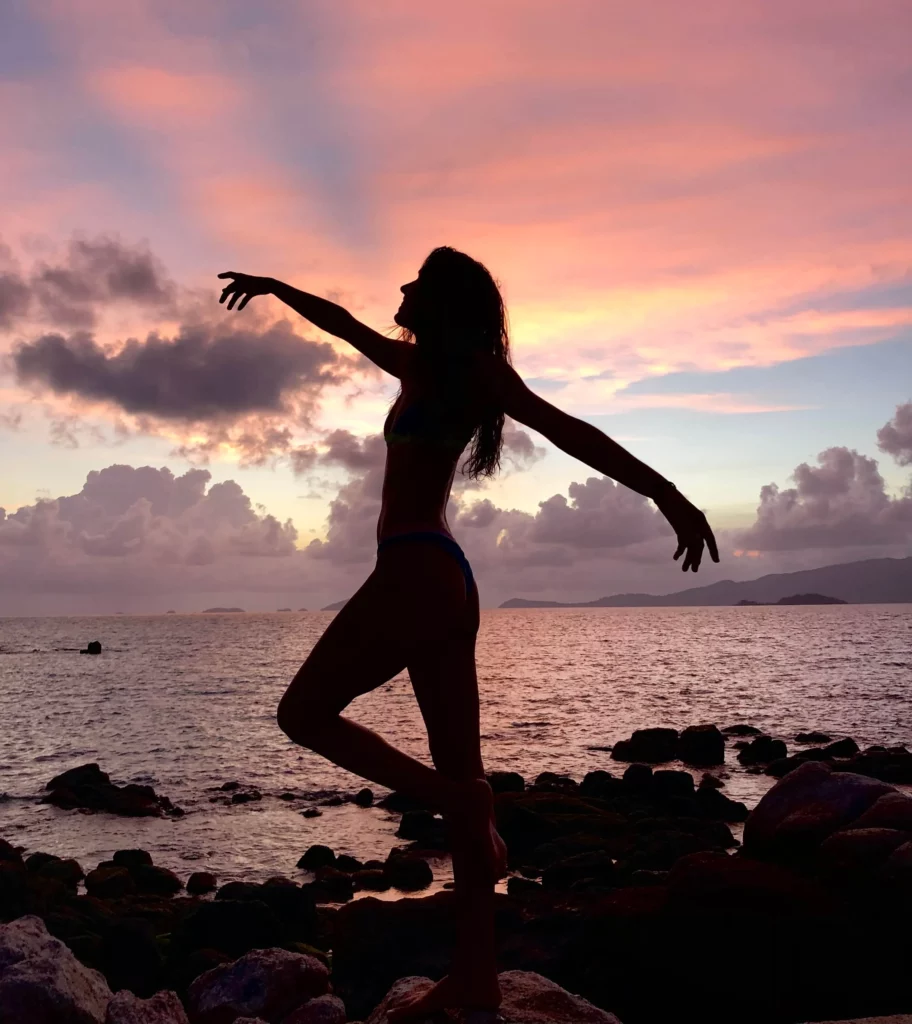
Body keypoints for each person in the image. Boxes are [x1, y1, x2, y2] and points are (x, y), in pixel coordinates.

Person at [217, 248, 718, 1021]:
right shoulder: (416, 365)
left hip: (417, 570)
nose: (403, 289)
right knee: (458, 787)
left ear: (445, 301)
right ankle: (479, 983)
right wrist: (278, 289)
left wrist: (669, 494)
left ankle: (463, 799)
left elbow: (569, 430)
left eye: (417, 281)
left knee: (304, 715)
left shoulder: (474, 371)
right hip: (443, 580)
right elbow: (343, 323)